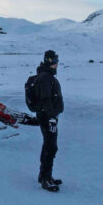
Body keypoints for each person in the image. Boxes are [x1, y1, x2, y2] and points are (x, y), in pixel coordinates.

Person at [36, 50, 64, 192]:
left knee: (48, 145)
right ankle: (46, 179)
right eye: (54, 61)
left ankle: (45, 175)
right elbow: (46, 99)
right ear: (49, 62)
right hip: (47, 117)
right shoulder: (46, 77)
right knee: (51, 147)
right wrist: (52, 117)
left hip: (48, 116)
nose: (56, 64)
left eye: (56, 61)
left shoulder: (46, 76)